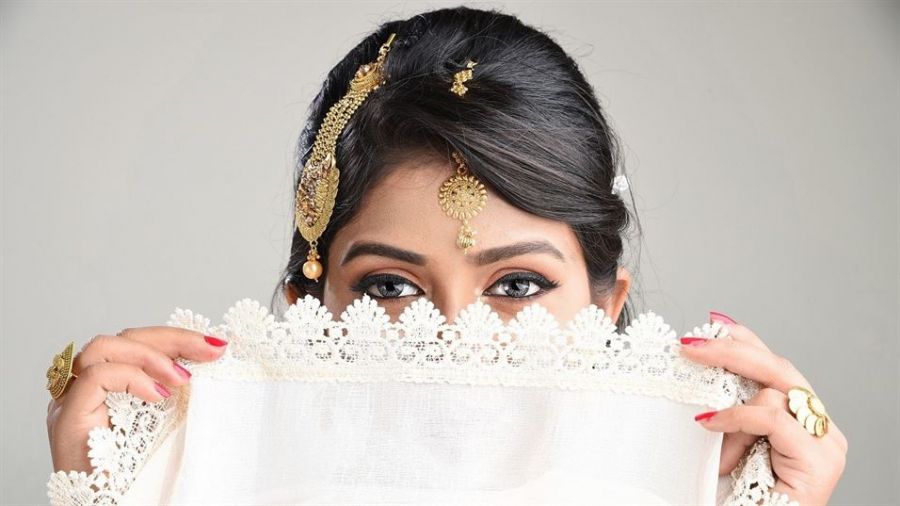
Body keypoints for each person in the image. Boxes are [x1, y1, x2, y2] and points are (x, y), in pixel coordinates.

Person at [45, 6, 847, 505]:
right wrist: (112, 482)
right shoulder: (203, 481)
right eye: (389, 285)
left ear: (608, 306)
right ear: (307, 311)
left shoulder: (691, 488)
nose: (454, 336)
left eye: (519, 283)